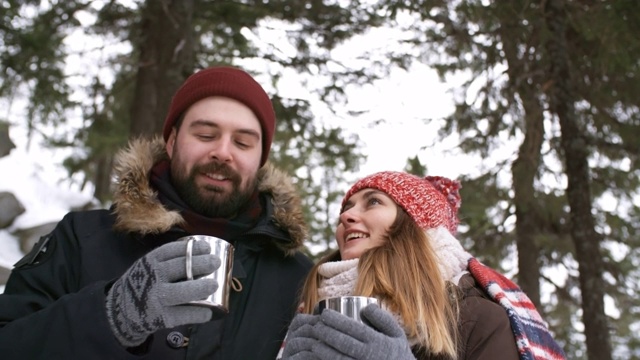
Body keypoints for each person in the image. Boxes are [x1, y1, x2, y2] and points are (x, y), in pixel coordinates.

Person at [0, 66, 314, 359]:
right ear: (173, 141)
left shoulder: (298, 277)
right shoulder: (81, 239)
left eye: (243, 143)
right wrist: (107, 317)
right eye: (205, 134)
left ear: (260, 160)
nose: (223, 152)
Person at [280, 171, 566, 360]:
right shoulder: (311, 309)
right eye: (346, 208)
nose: (347, 216)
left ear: (416, 227)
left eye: (373, 202)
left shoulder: (477, 318)